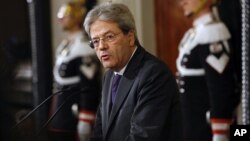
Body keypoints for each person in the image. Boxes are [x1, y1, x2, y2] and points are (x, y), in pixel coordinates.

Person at [83, 2, 182, 141]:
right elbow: (100, 134)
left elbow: (143, 137)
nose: (101, 46)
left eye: (109, 37)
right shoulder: (109, 76)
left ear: (130, 37)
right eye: (95, 41)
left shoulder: (154, 74)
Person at [176, 0, 240, 141]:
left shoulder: (213, 33)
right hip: (192, 128)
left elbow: (221, 90)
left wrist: (220, 134)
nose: (182, 3)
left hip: (207, 132)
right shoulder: (196, 33)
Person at [48, 2, 101, 141]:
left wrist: (86, 119)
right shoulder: (67, 43)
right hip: (60, 112)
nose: (60, 19)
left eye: (65, 16)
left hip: (74, 114)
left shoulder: (83, 46)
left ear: (77, 17)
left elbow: (89, 86)